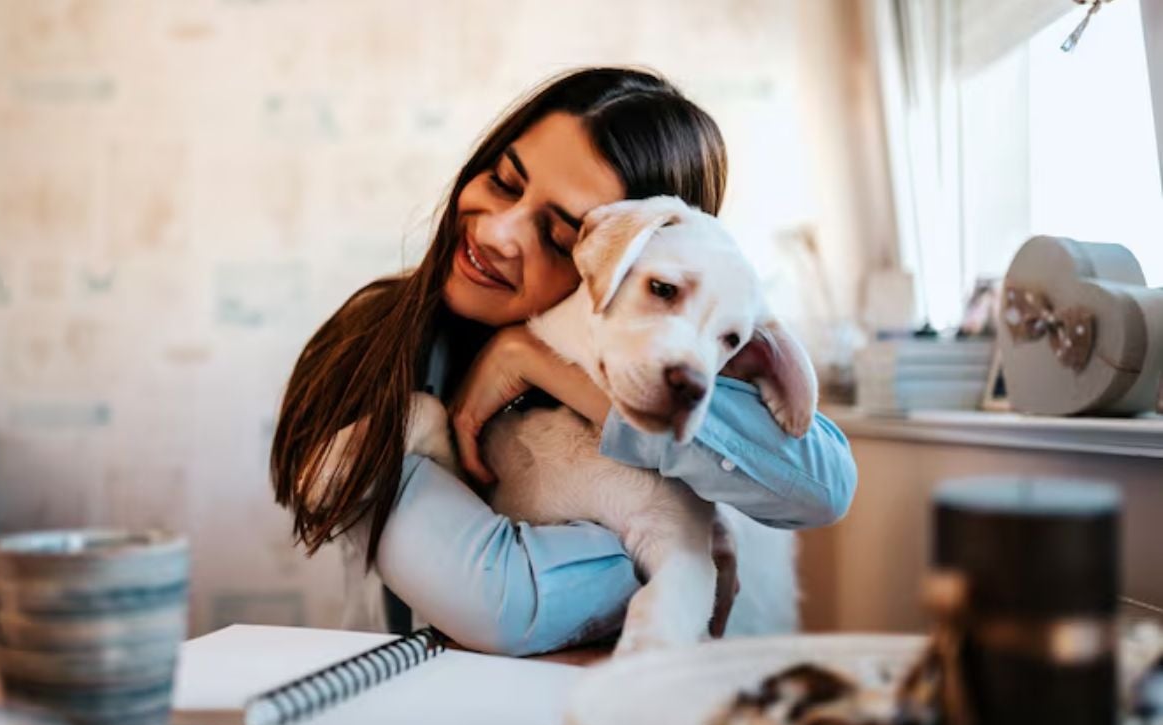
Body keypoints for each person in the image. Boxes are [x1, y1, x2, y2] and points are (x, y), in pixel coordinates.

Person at [270, 67, 857, 656]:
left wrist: (542, 364)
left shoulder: (663, 356)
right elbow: (502, 601)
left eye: (558, 237)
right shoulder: (376, 346)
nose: (497, 233)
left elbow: (823, 487)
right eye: (503, 181)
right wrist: (675, 562)